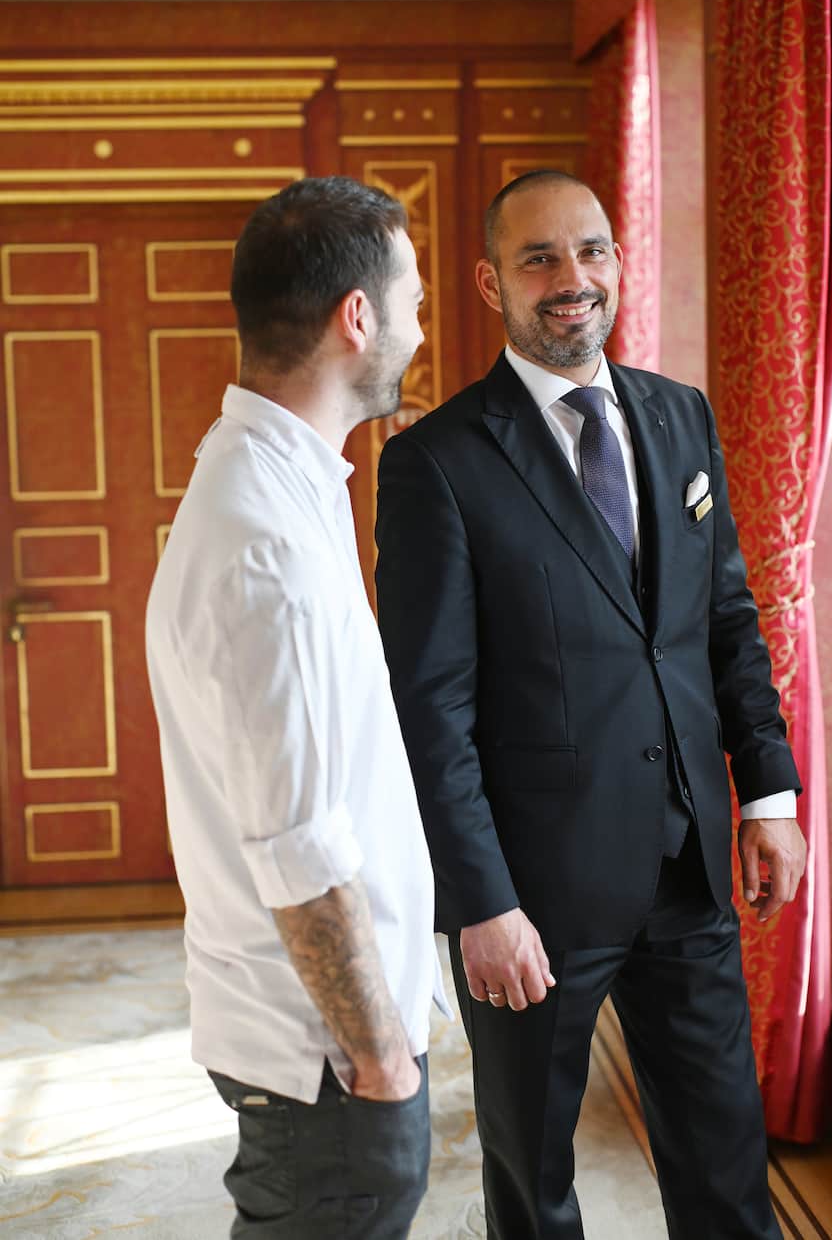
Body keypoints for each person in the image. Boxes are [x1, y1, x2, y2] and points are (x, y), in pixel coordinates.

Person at [374, 169, 807, 1240]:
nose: (574, 280)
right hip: (534, 898)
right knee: (536, 1188)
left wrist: (767, 794)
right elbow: (430, 705)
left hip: (687, 869)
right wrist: (480, 903)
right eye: (541, 259)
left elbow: (725, 622)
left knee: (727, 1168)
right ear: (490, 282)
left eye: (594, 250)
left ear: (617, 259)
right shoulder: (437, 462)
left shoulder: (680, 418)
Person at [146, 176, 448, 1240]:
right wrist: (379, 1056)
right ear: (356, 317)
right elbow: (300, 852)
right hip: (323, 1060)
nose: (421, 326)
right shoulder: (263, 541)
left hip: (326, 1044)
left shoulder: (283, 486)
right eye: (412, 299)